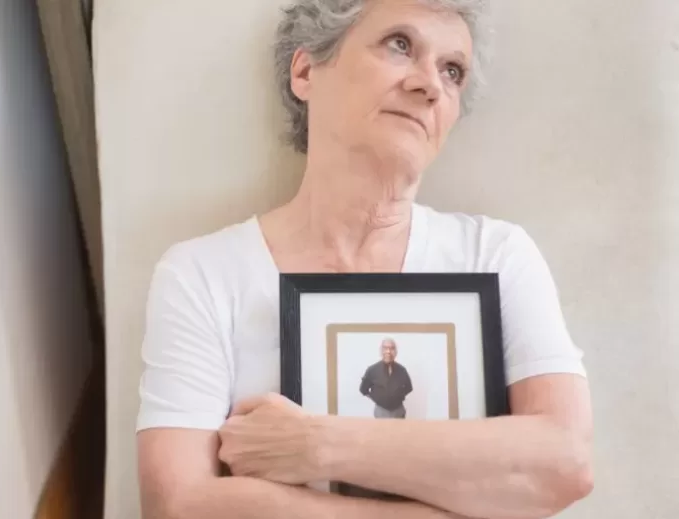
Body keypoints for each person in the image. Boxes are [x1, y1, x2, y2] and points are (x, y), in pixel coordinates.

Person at [136, 1, 594, 518]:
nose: (431, 85)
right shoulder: (203, 275)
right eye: (400, 45)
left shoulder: (496, 254)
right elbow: (176, 506)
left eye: (452, 70)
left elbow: (566, 464)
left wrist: (316, 445)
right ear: (306, 70)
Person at [359, 338, 413, 419]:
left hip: (398, 411)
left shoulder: (402, 370)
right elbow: (363, 389)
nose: (388, 351)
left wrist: (397, 397)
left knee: (399, 432)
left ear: (396, 352)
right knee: (380, 432)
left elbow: (409, 388)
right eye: (385, 348)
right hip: (381, 411)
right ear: (381, 351)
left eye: (392, 348)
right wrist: (376, 398)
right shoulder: (372, 370)